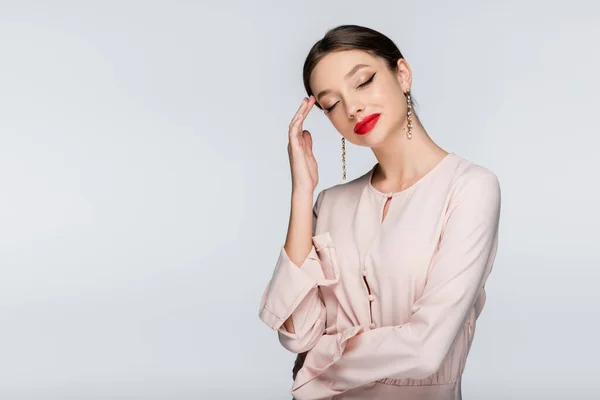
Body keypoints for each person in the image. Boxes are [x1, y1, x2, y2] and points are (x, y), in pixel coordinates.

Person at [258, 24, 501, 400]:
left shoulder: (470, 187)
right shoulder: (330, 203)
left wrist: (318, 363)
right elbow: (297, 333)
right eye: (332, 104)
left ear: (402, 75)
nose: (352, 107)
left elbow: (424, 350)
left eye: (364, 81)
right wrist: (302, 194)